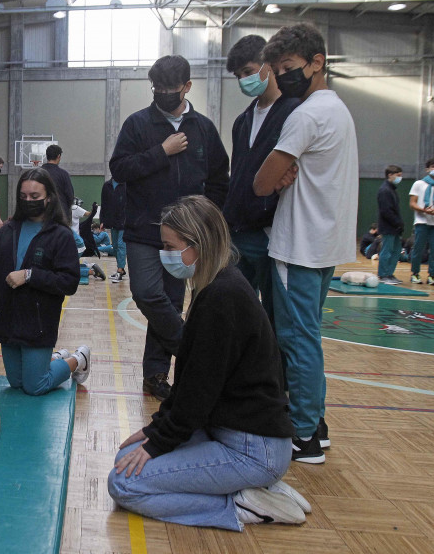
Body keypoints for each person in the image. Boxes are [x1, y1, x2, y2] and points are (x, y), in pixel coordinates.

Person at [107, 195, 307, 531]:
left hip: (253, 449)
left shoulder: (221, 297)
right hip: (230, 432)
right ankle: (256, 489)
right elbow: (190, 384)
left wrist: (159, 441)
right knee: (125, 462)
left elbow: (198, 394)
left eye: (171, 246)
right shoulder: (215, 286)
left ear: (196, 245)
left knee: (124, 483)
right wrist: (155, 430)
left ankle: (243, 504)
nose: (166, 254)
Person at [254, 22, 359, 464]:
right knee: (305, 336)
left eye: (290, 68)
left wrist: (276, 176)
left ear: (318, 62)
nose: (284, 78)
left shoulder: (307, 114)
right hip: (324, 242)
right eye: (278, 71)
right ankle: (315, 422)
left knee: (297, 340)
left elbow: (261, 183)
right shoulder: (338, 110)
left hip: (299, 244)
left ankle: (303, 435)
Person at [109, 54, 229, 401]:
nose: (161, 94)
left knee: (171, 304)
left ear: (187, 87)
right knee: (147, 293)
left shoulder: (203, 128)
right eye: (156, 88)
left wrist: (208, 219)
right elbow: (120, 168)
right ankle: (190, 347)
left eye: (169, 89)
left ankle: (156, 374)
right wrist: (161, 152)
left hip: (186, 236)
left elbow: (220, 178)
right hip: (144, 231)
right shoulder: (138, 125)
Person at [0, 167, 91, 395]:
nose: (28, 201)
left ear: (48, 197)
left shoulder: (61, 234)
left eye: (35, 197)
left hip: (38, 323)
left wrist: (31, 275)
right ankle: (56, 359)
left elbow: (69, 282)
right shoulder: (7, 231)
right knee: (16, 383)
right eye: (23, 197)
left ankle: (78, 359)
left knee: (34, 386)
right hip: (9, 320)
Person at [224, 35, 301, 321]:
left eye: (248, 71)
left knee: (274, 315)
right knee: (235, 312)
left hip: (272, 232)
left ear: (269, 65)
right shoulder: (242, 121)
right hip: (238, 232)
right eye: (238, 76)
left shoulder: (294, 112)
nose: (244, 80)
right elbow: (239, 174)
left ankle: (272, 366)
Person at [408, 158, 434, 285]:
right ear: (427, 169)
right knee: (418, 248)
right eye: (433, 166)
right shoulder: (419, 184)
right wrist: (424, 210)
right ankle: (415, 273)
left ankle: (432, 275)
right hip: (422, 221)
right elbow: (412, 203)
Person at [377, 165, 405, 285]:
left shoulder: (392, 189)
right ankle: (383, 274)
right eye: (398, 175)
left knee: (396, 251)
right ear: (390, 175)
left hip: (394, 227)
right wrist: (396, 222)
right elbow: (386, 211)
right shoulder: (385, 190)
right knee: (387, 251)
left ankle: (389, 273)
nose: (400, 178)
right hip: (388, 226)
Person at [100, 178, 127, 283]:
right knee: (115, 246)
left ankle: (120, 270)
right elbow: (104, 204)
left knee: (121, 244)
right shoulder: (107, 185)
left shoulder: (126, 184)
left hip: (124, 220)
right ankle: (121, 269)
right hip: (112, 221)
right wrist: (103, 221)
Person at [41, 144, 74, 212]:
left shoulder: (37, 173)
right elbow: (70, 197)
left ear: (47, 156)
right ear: (59, 156)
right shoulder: (63, 174)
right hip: (60, 213)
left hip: (42, 213)